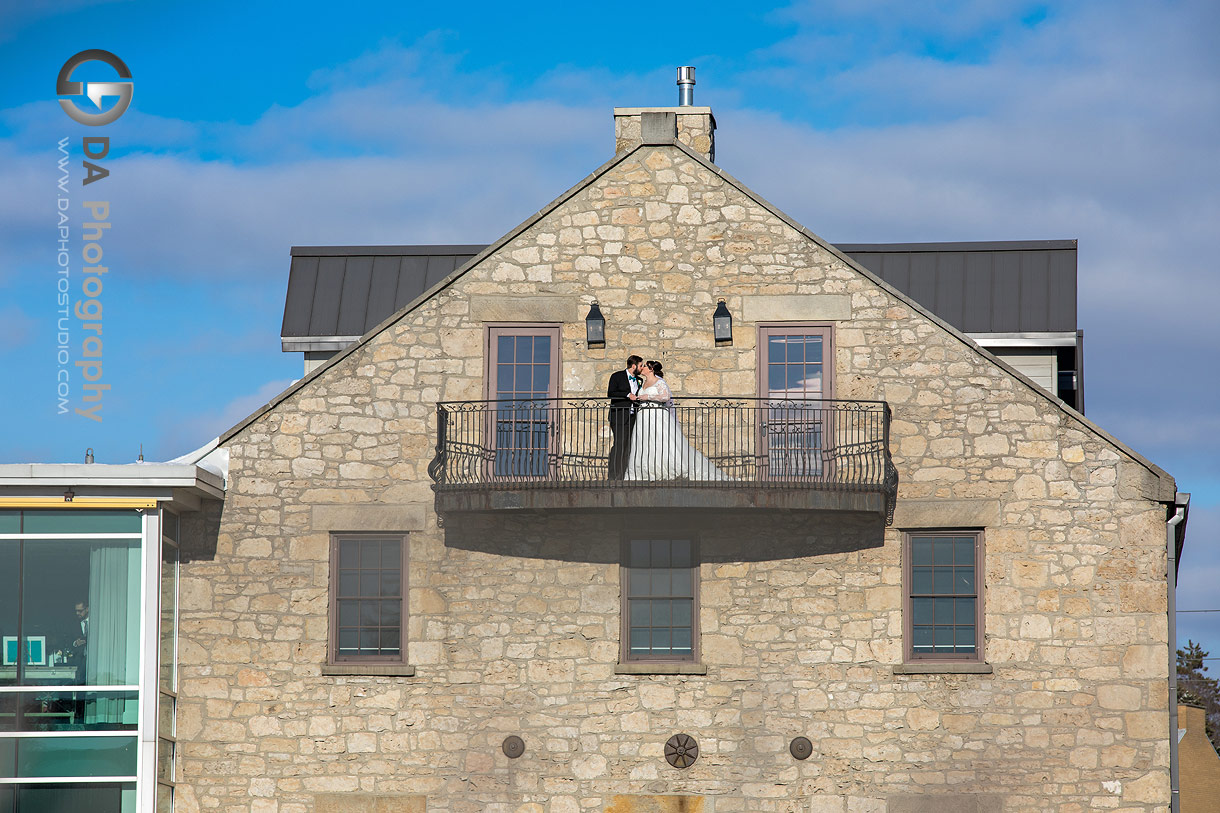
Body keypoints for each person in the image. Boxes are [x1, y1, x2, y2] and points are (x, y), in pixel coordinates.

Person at [624, 360, 732, 481]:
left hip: (657, 415)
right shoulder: (643, 382)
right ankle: (646, 470)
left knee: (661, 441)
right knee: (645, 442)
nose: (642, 368)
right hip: (643, 416)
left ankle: (665, 468)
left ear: (651, 369)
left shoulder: (659, 382)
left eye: (644, 366)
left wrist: (648, 396)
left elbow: (665, 396)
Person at [607, 355, 645, 479]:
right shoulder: (616, 376)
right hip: (619, 415)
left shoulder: (639, 380)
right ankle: (613, 476)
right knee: (619, 444)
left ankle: (623, 474)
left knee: (628, 446)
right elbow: (611, 393)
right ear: (633, 366)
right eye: (640, 365)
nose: (642, 368)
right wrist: (628, 395)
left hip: (633, 417)